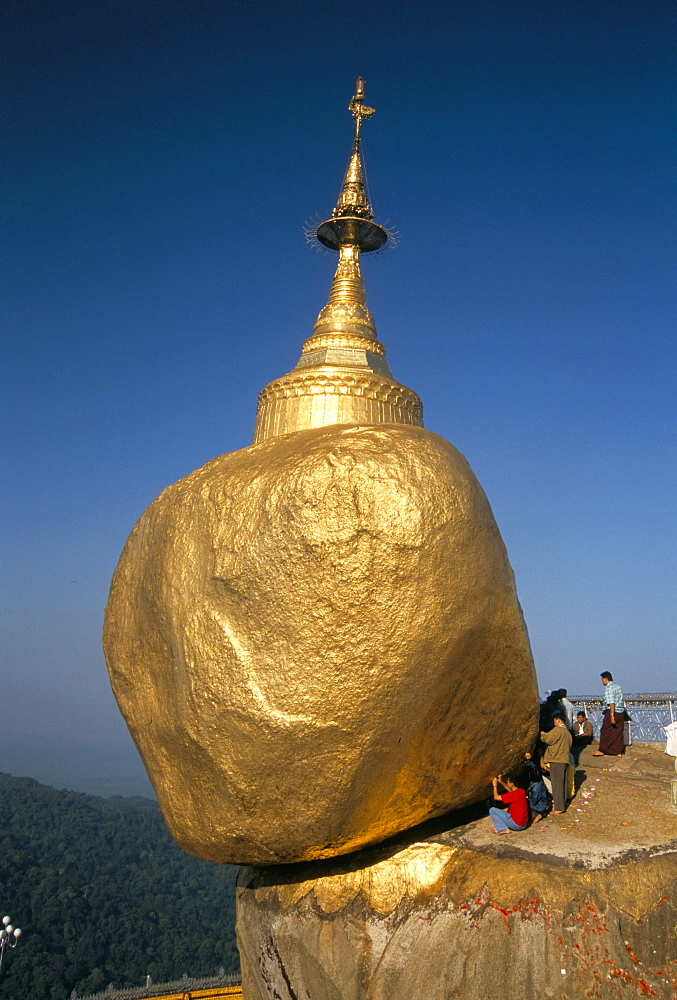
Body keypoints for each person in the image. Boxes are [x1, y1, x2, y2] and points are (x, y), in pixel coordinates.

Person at [540, 713, 572, 814]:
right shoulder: (568, 733)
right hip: (565, 759)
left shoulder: (558, 730)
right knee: (563, 783)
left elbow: (548, 739)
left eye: (555, 722)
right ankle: (563, 803)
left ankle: (559, 807)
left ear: (558, 721)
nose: (554, 724)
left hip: (556, 760)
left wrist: (543, 734)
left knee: (556, 784)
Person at [593, 671, 626, 757]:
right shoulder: (618, 687)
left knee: (605, 731)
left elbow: (611, 702)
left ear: (606, 679)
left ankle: (602, 750)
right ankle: (618, 751)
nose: (601, 681)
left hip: (612, 711)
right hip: (621, 711)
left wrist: (612, 715)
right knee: (617, 732)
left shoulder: (609, 688)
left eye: (602, 679)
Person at [524, 752, 548, 822]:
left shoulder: (536, 788)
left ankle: (539, 814)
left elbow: (533, 802)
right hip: (539, 801)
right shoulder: (536, 780)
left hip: (538, 807)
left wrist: (524, 798)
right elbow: (532, 767)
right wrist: (528, 760)